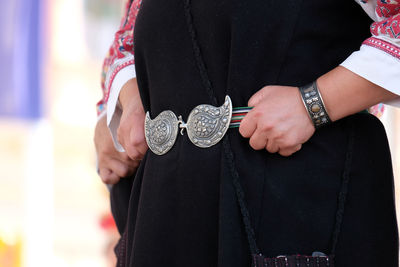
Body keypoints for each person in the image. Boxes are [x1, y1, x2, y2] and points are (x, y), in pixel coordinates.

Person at [94, 0, 400, 266]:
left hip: (296, 205)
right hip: (167, 215)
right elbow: (127, 41)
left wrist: (315, 103)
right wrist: (127, 99)